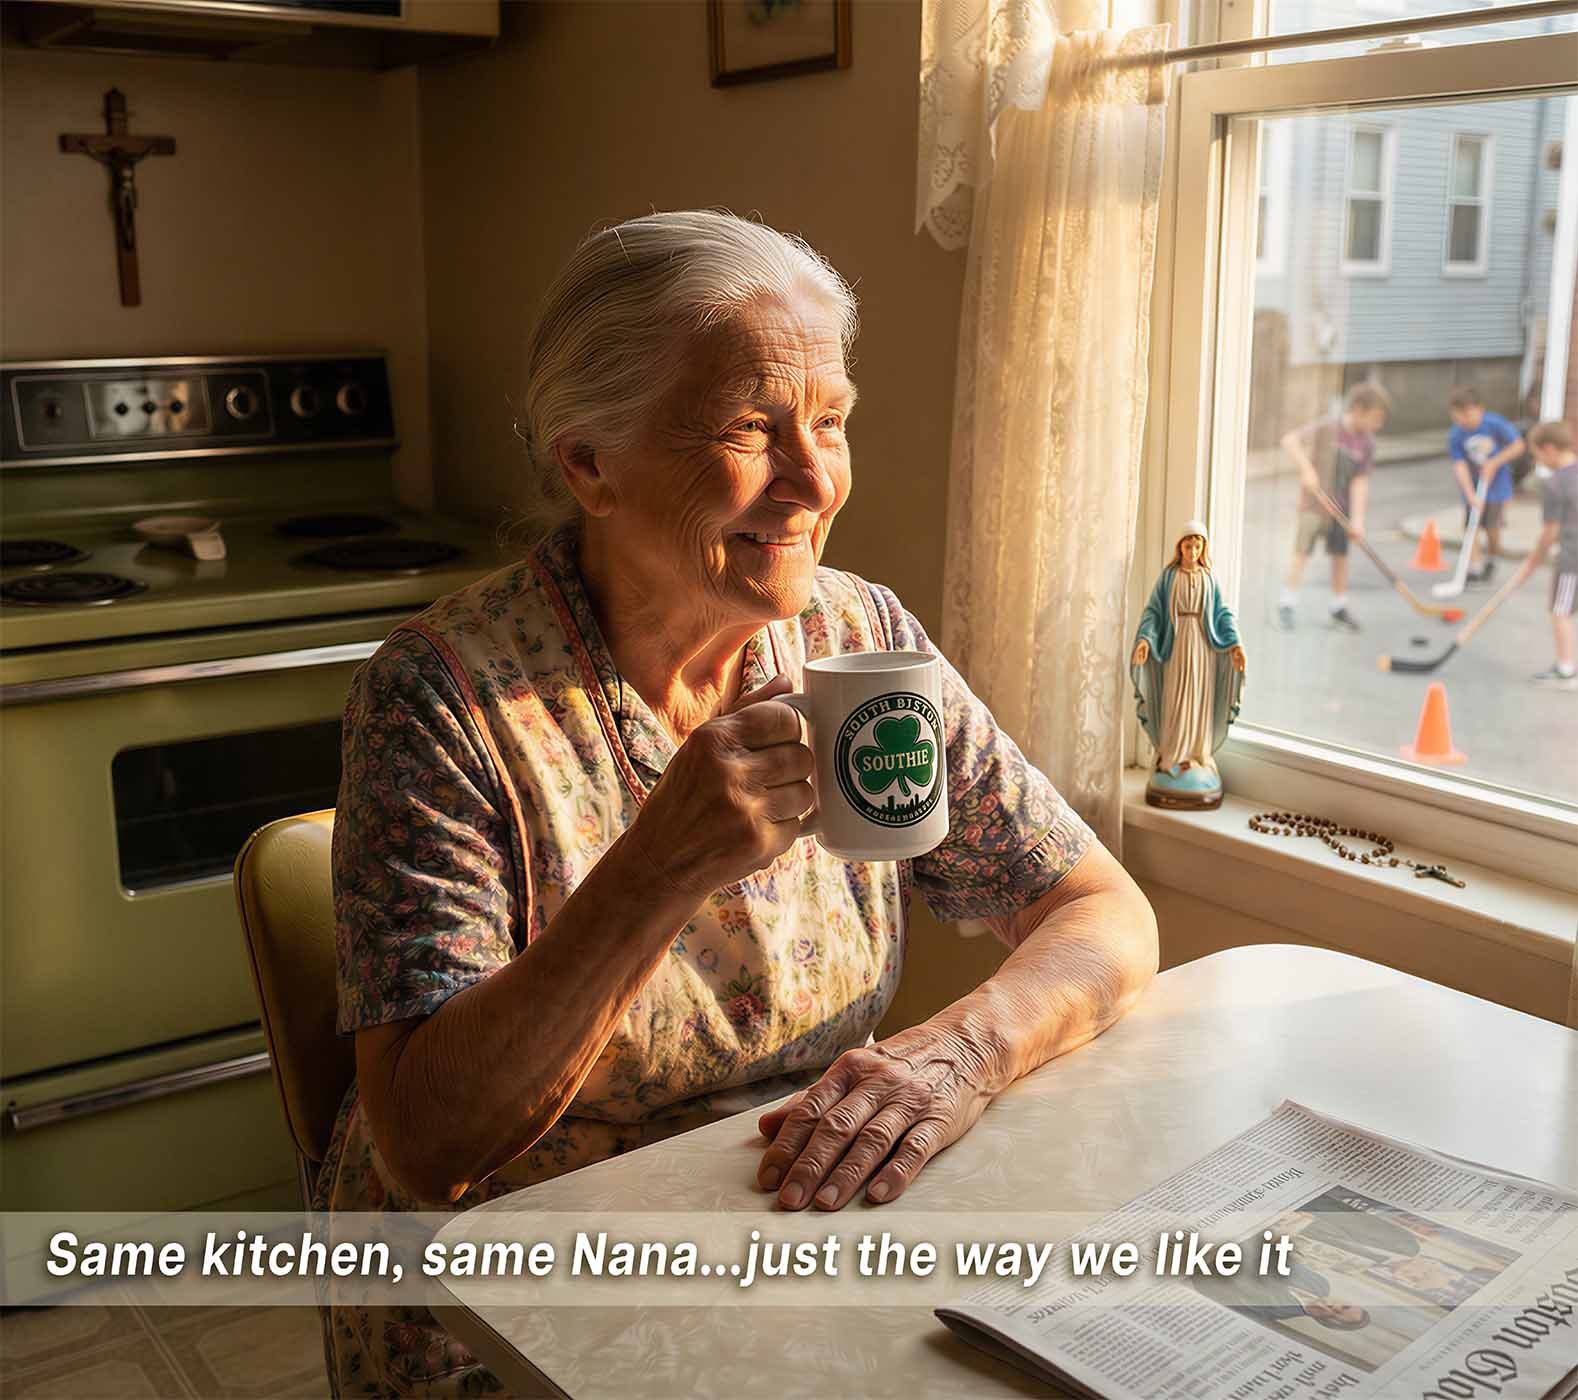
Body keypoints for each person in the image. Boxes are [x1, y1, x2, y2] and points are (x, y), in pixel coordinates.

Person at [320, 210, 1160, 1394]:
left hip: (790, 1221)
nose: (815, 479)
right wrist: (656, 867)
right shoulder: (443, 699)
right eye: (750, 429)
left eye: (831, 420)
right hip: (510, 1285)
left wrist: (959, 1053)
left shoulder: (859, 644)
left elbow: (1103, 913)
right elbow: (426, 1139)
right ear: (589, 465)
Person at [1129, 522, 1246, 809]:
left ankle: (1197, 754)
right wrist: (1145, 640)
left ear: (1203, 549)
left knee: (1197, 701)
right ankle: (1171, 755)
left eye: (1197, 546)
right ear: (1179, 547)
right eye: (1187, 545)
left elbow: (1222, 614)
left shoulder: (1208, 578)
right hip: (1176, 647)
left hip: (1203, 649)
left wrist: (1235, 644)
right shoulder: (1169, 577)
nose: (1192, 551)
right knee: (1177, 700)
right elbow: (1153, 613)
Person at [1278, 383, 1391, 633]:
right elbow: (1290, 440)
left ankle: (1338, 607)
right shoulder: (1328, 427)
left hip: (1342, 509)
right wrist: (1306, 469)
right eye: (1375, 419)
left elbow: (1360, 481)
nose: (1378, 426)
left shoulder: (1368, 444)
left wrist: (1358, 520)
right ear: (1359, 410)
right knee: (1302, 552)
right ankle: (1286, 603)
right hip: (1313, 506)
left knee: (1340, 556)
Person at [1498, 421, 1577, 689]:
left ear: (1550, 449)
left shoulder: (1556, 483)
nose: (1537, 461)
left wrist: (1534, 560)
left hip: (1572, 556)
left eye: (1537, 455)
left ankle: (1566, 670)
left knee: (1560, 610)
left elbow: (1550, 532)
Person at [1447, 386, 1525, 585]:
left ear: (1479, 409)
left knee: (1492, 527)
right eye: (1458, 416)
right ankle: (1473, 567)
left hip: (1497, 486)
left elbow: (1518, 446)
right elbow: (1459, 466)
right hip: (1473, 485)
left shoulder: (1494, 424)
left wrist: (1495, 462)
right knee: (1471, 526)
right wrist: (1469, 493)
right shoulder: (1456, 435)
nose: (1463, 420)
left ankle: (1492, 557)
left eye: (1467, 414)